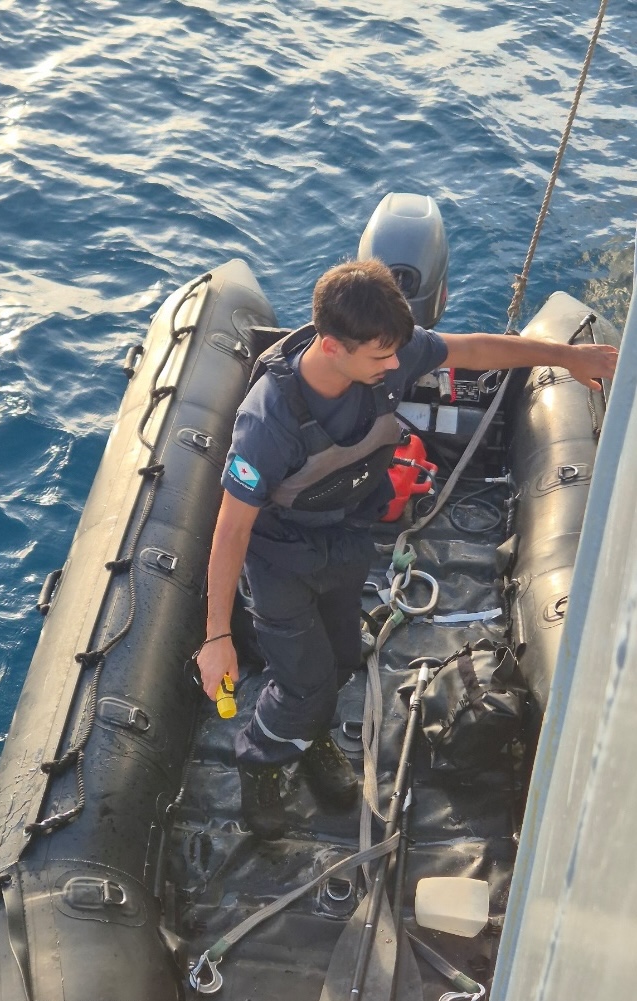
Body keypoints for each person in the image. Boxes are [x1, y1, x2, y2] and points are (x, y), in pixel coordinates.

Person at [197, 258, 618, 840]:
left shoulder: (389, 356)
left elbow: (473, 351)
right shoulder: (268, 421)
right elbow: (230, 530)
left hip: (346, 536)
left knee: (345, 656)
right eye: (380, 357)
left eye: (397, 352)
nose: (396, 366)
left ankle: (312, 737)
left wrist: (566, 358)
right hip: (280, 561)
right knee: (306, 683)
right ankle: (261, 764)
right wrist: (217, 636)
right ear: (332, 346)